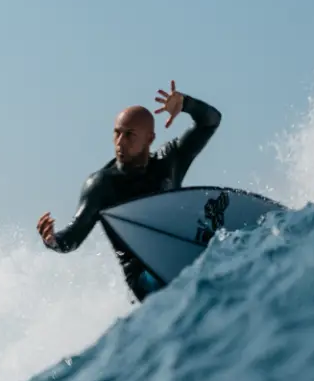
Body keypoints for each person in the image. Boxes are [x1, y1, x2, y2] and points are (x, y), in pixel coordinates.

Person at [36, 80, 221, 302]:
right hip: (144, 278)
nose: (120, 143)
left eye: (129, 135)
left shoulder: (169, 161)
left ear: (149, 139)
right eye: (117, 133)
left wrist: (186, 104)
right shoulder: (101, 184)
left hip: (178, 250)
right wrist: (52, 240)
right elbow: (73, 237)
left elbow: (210, 122)